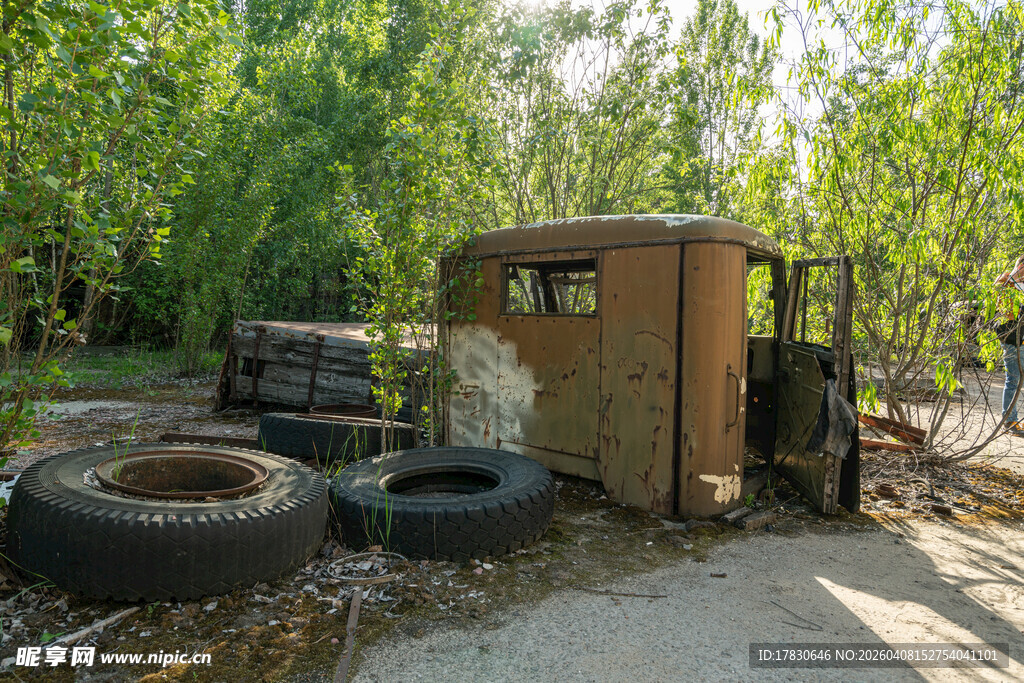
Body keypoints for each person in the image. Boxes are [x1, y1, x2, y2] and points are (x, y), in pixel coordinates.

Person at [994, 256, 1024, 434]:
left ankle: (1011, 419)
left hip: (1021, 338)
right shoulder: (1006, 280)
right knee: (1013, 379)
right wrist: (1014, 277)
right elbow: (1007, 312)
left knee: (1017, 380)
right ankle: (1009, 421)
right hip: (1011, 338)